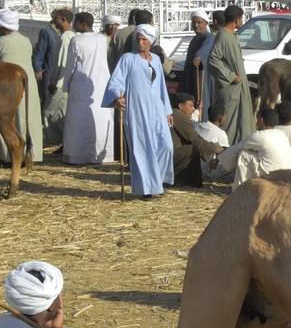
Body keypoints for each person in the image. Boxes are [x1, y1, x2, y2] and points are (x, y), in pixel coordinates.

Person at [102, 23, 174, 199]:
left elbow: (161, 88)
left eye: (144, 39)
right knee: (142, 149)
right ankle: (147, 189)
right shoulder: (128, 58)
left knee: (166, 146)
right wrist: (117, 97)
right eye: (138, 39)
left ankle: (158, 181)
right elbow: (116, 81)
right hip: (137, 111)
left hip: (157, 110)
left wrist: (167, 111)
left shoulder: (156, 60)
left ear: (150, 41)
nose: (140, 42)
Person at [0, 8, 44, 166]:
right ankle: (28, 155)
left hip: (5, 87)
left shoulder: (1, 42)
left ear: (3, 25)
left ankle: (4, 155)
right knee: (25, 118)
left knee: (4, 119)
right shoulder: (25, 40)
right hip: (26, 84)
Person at [62, 12, 116, 165]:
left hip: (81, 84)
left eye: (76, 23)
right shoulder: (102, 39)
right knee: (101, 118)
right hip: (101, 84)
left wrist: (65, 86)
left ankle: (76, 156)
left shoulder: (76, 40)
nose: (74, 25)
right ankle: (102, 155)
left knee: (77, 121)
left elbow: (70, 66)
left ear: (83, 24)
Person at [211, 105, 291, 186]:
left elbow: (237, 147)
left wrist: (217, 160)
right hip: (285, 176)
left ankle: (240, 189)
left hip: (271, 176)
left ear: (261, 120)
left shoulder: (259, 136)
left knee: (244, 154)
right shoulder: (281, 134)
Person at [208, 4, 254, 144]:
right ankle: (222, 158)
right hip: (231, 89)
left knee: (240, 123)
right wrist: (231, 76)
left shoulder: (231, 35)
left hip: (237, 88)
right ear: (237, 19)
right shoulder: (224, 36)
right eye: (241, 19)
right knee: (228, 126)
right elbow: (213, 59)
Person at [36, 8, 75, 148]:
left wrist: (53, 83)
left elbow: (61, 63)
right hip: (65, 81)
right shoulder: (70, 36)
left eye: (56, 18)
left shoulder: (65, 37)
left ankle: (55, 141)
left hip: (60, 81)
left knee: (49, 112)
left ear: (63, 19)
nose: (54, 21)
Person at [167, 92, 223, 188]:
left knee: (194, 150)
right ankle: (179, 181)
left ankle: (189, 182)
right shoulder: (178, 116)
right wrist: (215, 149)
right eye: (191, 106)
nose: (193, 109)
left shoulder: (174, 114)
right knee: (193, 149)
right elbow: (194, 138)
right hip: (170, 155)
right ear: (180, 106)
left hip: (169, 153)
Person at [180, 9, 214, 101]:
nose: (196, 25)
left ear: (206, 23)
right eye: (194, 22)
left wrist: (198, 56)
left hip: (203, 77)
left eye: (199, 22)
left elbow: (205, 49)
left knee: (202, 101)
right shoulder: (194, 39)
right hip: (191, 76)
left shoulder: (209, 37)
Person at [196, 105, 232, 181]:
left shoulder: (197, 125)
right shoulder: (220, 133)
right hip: (206, 170)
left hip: (193, 167)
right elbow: (225, 153)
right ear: (221, 118)